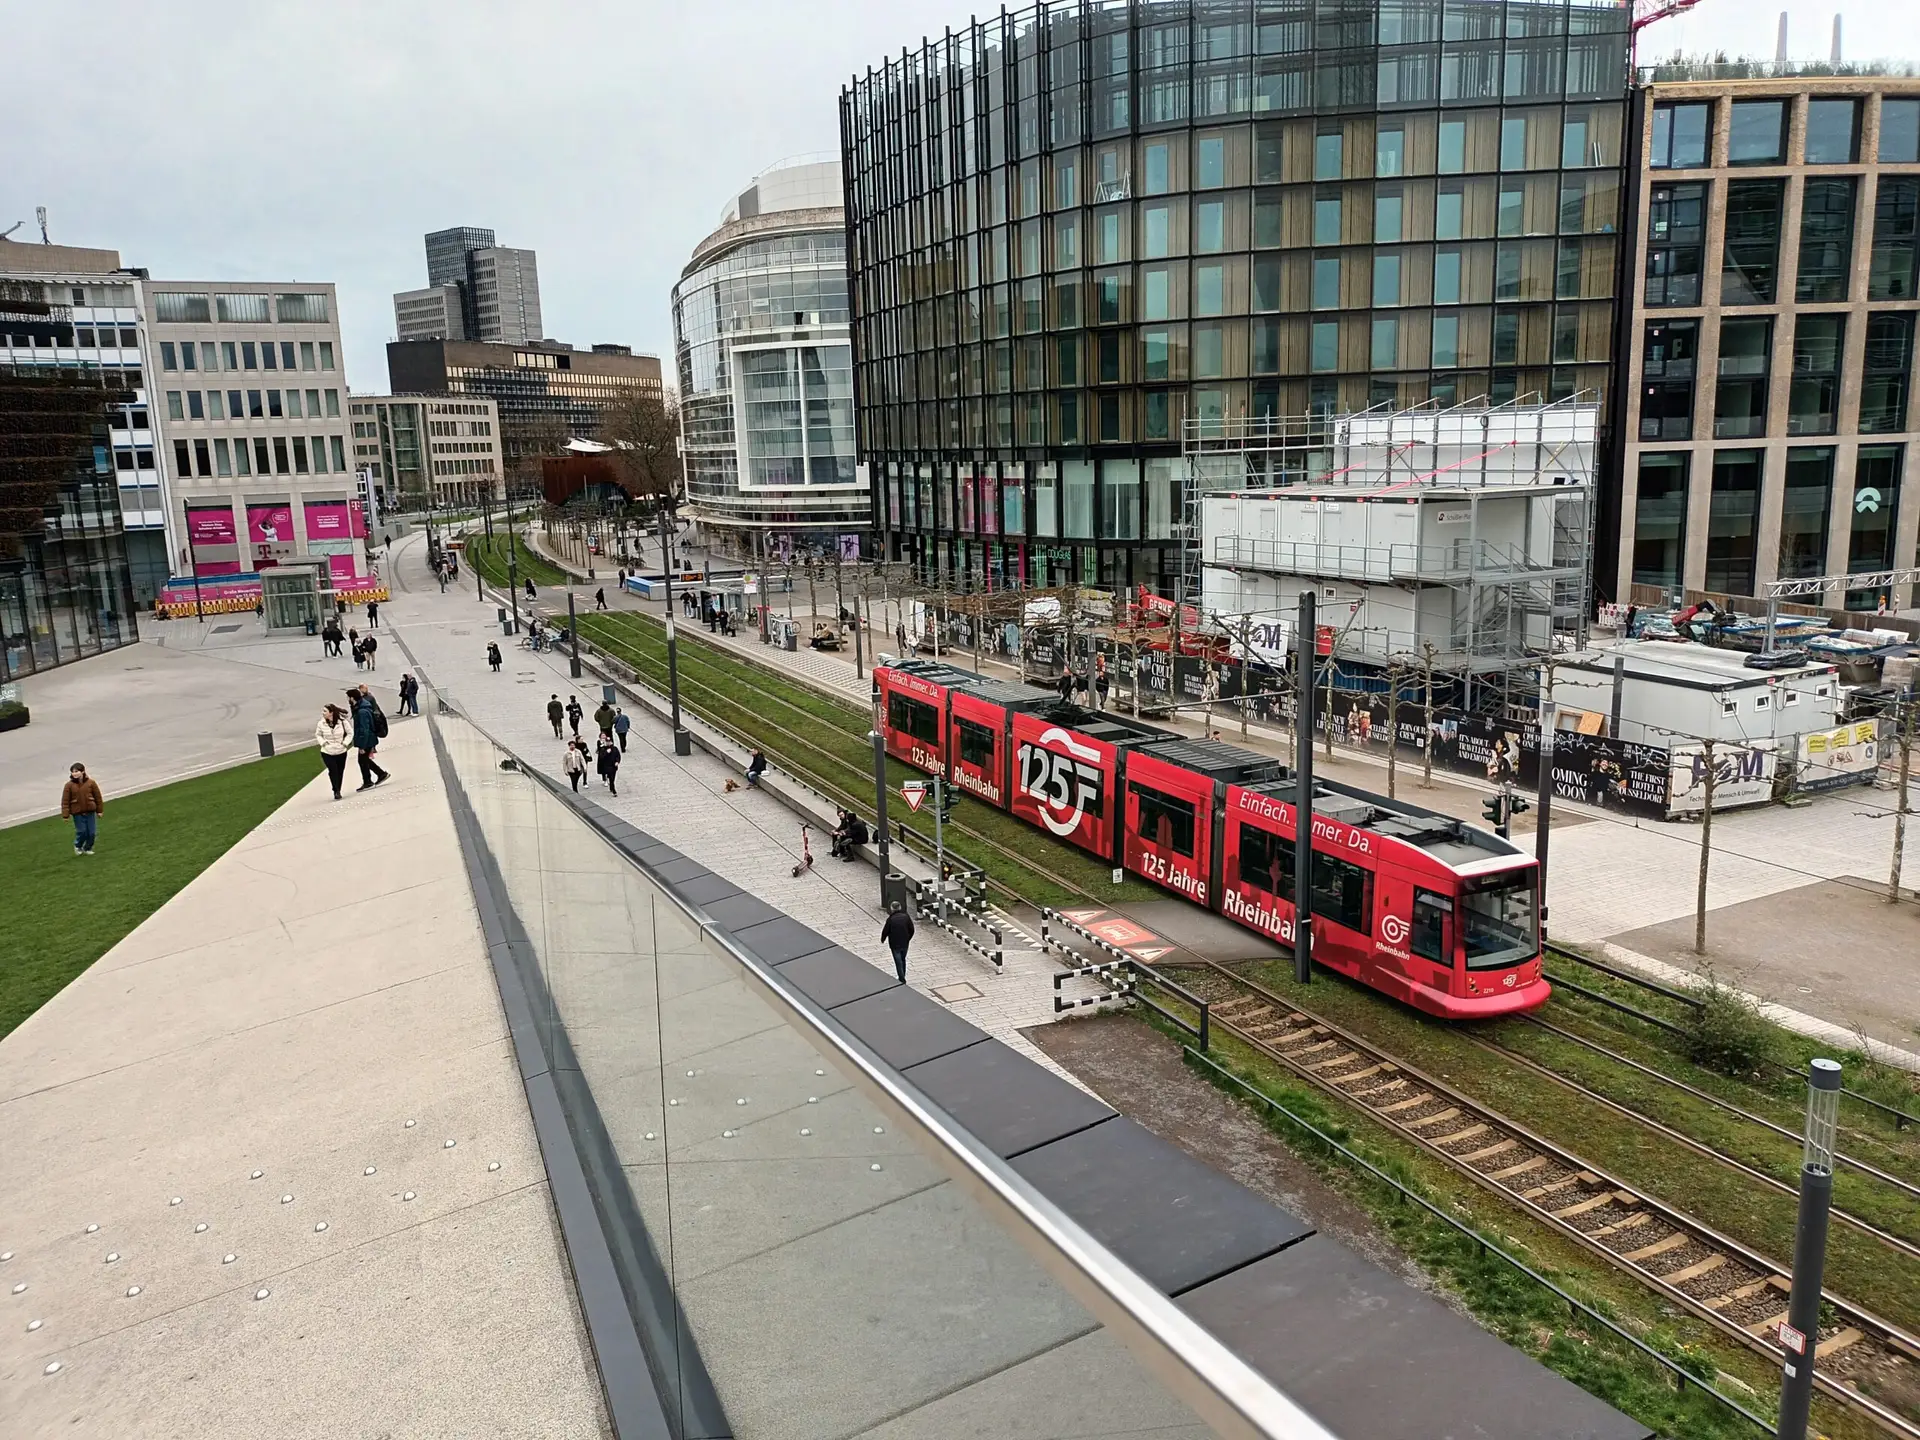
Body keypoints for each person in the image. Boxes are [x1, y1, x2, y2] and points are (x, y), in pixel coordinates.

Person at [61, 762, 105, 855]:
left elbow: (98, 797)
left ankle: (88, 848)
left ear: (83, 771)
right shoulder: (69, 785)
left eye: (76, 771)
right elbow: (65, 801)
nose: (74, 773)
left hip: (90, 812)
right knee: (82, 831)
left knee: (92, 833)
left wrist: (99, 810)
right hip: (77, 813)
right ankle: (78, 846)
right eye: (73, 772)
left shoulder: (91, 783)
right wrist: (65, 815)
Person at [352, 686, 390, 791]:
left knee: (362, 761)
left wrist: (361, 745)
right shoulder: (362, 707)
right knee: (364, 760)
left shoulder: (362, 711)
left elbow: (364, 728)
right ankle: (380, 774)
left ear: (352, 698)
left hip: (367, 740)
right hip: (369, 738)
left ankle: (368, 781)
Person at [315, 703, 353, 800]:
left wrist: (345, 743)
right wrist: (323, 743)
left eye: (325, 711)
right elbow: (318, 735)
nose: (323, 713)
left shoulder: (343, 722)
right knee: (333, 770)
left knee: (340, 771)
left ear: (331, 713)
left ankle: (338, 789)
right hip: (327, 751)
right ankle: (336, 791)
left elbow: (350, 733)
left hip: (341, 751)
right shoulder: (321, 723)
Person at [880, 901, 914, 983]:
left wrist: (883, 939)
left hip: (894, 944)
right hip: (904, 943)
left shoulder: (890, 919)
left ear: (892, 908)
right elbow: (912, 929)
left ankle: (901, 978)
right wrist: (908, 938)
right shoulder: (906, 917)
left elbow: (885, 931)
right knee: (903, 959)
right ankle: (902, 975)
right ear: (900, 907)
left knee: (898, 961)